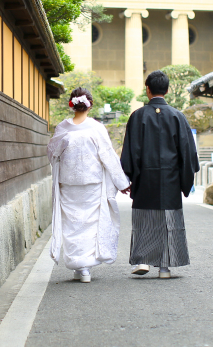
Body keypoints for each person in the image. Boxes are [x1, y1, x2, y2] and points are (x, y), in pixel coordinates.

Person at [47, 87, 131, 283]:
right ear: (90, 105)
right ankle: (85, 267)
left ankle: (79, 265)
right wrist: (122, 182)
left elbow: (52, 154)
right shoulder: (96, 128)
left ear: (71, 105)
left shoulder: (62, 128)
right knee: (90, 223)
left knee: (72, 223)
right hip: (92, 183)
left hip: (68, 184)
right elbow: (108, 156)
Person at [120, 70, 199, 279]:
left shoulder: (137, 116)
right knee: (168, 222)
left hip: (144, 177)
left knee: (145, 220)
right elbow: (188, 152)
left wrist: (128, 177)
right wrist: (185, 180)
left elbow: (130, 150)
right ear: (167, 90)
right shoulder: (177, 116)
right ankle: (165, 267)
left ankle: (144, 260)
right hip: (170, 180)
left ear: (147, 89)